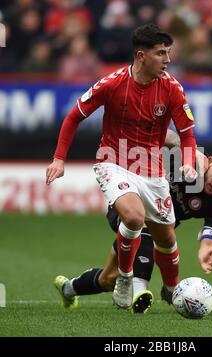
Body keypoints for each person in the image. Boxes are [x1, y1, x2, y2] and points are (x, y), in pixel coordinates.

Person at [46, 24, 197, 309]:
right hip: (113, 162)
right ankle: (126, 278)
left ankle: (171, 288)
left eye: (168, 53)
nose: (167, 60)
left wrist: (188, 162)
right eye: (161, 53)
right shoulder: (112, 84)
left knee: (166, 236)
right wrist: (59, 158)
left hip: (152, 170)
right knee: (134, 218)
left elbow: (187, 134)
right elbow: (73, 117)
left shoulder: (172, 88)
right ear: (141, 56)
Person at [53, 142, 212, 313]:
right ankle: (141, 292)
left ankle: (68, 289)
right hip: (128, 205)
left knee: (109, 279)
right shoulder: (182, 161)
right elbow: (165, 138)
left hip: (156, 231)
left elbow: (211, 232)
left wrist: (208, 249)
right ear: (210, 161)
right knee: (145, 225)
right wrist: (186, 147)